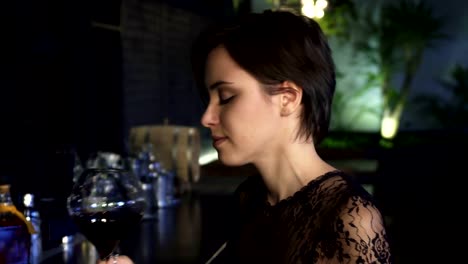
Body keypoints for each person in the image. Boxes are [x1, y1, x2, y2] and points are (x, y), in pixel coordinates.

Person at [191, 9, 393, 264]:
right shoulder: (250, 197)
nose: (207, 117)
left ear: (287, 99)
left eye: (226, 97)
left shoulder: (349, 219)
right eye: (207, 100)